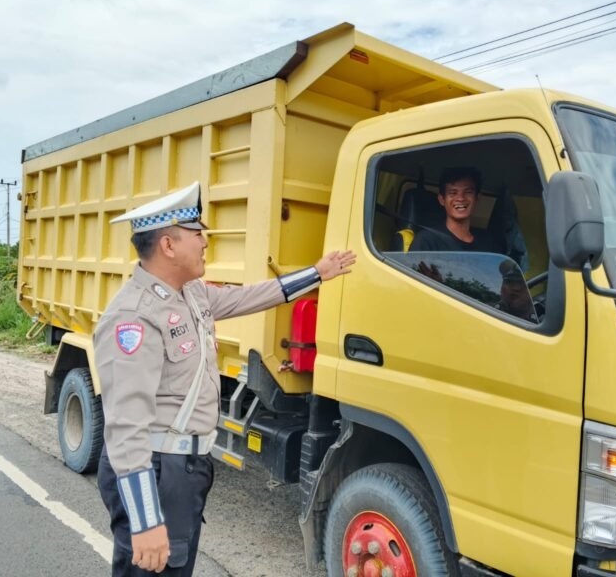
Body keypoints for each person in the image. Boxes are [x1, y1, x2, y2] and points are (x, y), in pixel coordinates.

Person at [93, 181, 355, 576]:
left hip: (185, 467)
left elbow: (250, 297)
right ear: (168, 245)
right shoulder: (134, 317)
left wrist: (317, 274)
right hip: (157, 468)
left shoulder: (191, 293)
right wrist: (146, 522)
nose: (205, 242)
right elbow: (126, 426)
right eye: (198, 234)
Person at [408, 167, 493, 252]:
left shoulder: (489, 244)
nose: (460, 198)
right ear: (442, 200)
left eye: (468, 192)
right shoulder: (426, 241)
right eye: (453, 193)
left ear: (477, 198)